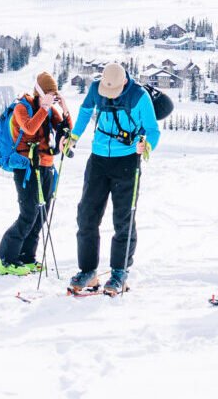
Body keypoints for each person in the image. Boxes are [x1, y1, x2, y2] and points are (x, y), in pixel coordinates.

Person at [64, 61, 159, 295]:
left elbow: (153, 130)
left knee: (123, 218)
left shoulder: (139, 97)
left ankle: (119, 272)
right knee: (87, 214)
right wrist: (74, 135)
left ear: (124, 82)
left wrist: (146, 145)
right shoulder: (97, 88)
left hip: (126, 161)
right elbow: (86, 111)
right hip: (97, 159)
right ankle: (88, 271)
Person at [0, 71, 70, 275]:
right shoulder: (23, 107)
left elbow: (66, 130)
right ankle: (6, 259)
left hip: (46, 165)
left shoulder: (50, 110)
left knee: (40, 214)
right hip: (26, 167)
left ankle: (27, 257)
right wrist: (45, 108)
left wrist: (64, 109)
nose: (50, 97)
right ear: (38, 91)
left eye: (53, 94)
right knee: (28, 213)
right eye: (47, 93)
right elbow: (29, 128)